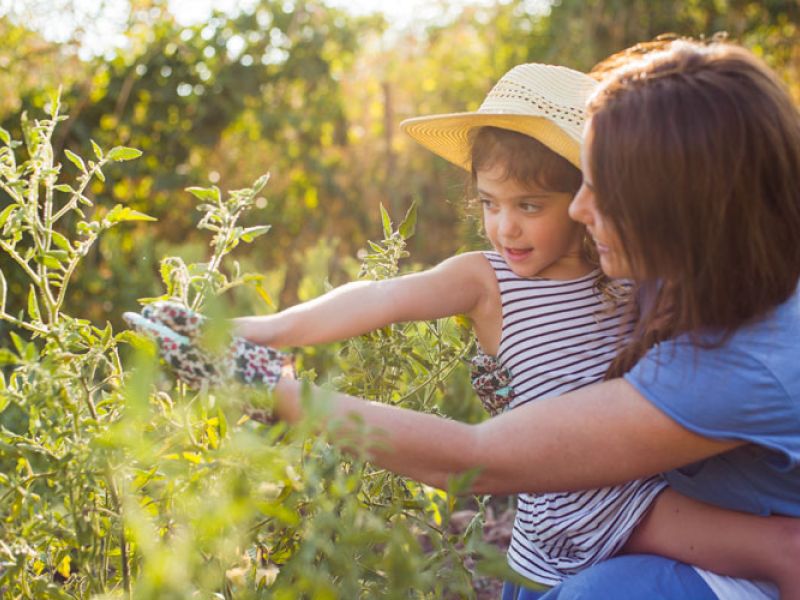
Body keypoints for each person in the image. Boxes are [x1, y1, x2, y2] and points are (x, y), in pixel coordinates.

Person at [127, 46, 800, 597]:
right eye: (490, 202)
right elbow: (380, 296)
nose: (575, 212)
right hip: (556, 512)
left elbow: (478, 458)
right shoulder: (655, 269)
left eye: (588, 191)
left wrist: (277, 390)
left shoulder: (721, 340)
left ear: (674, 207)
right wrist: (265, 329)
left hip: (628, 504)